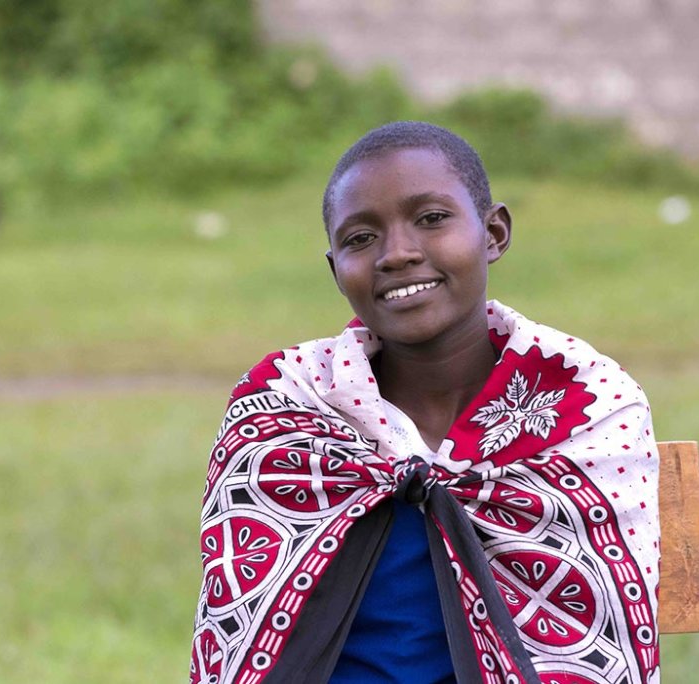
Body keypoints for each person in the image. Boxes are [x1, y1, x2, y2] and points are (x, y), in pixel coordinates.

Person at [189, 122, 660, 684]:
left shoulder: (586, 402)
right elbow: (239, 638)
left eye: (432, 219)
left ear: (494, 233)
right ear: (335, 270)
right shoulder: (286, 406)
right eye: (360, 239)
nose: (397, 253)